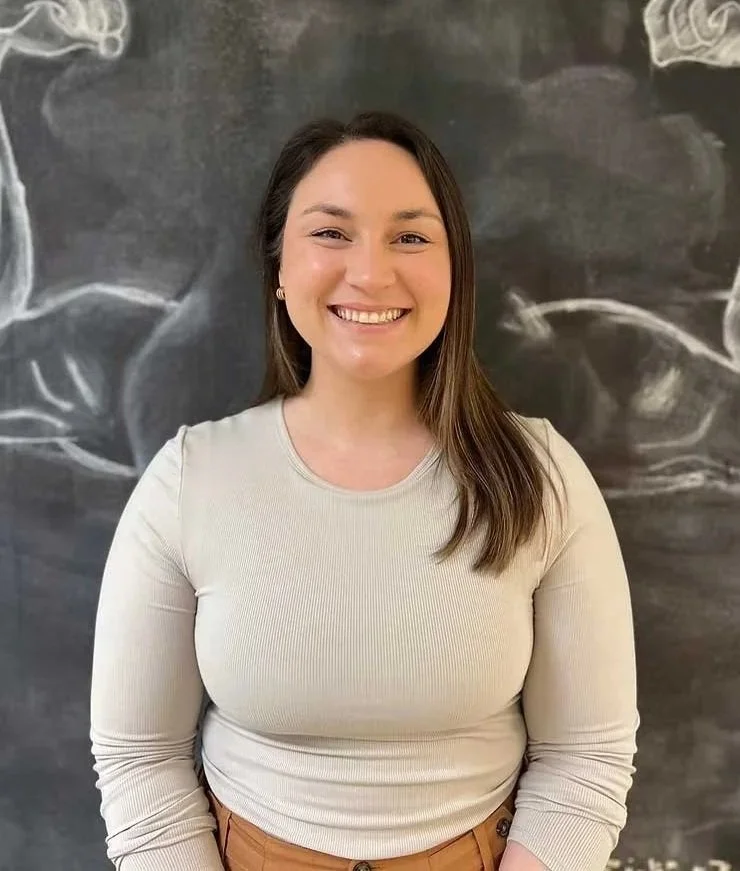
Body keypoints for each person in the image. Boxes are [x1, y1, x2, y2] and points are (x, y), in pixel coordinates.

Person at [89, 110, 639, 871]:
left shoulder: (539, 477)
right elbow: (138, 756)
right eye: (331, 232)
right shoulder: (190, 480)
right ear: (279, 269)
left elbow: (586, 759)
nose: (372, 272)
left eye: (411, 236)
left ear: (454, 270)